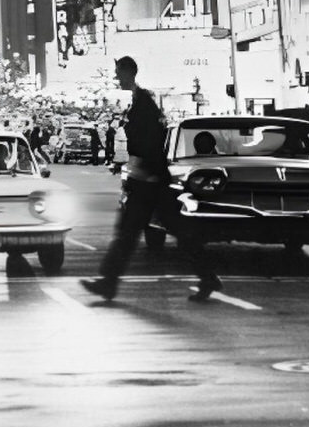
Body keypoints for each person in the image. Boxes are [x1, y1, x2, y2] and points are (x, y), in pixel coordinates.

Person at [81, 57, 220, 304]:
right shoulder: (139, 101)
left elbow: (151, 141)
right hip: (148, 179)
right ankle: (207, 276)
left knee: (132, 234)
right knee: (160, 232)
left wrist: (145, 169)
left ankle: (108, 283)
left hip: (149, 182)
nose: (116, 77)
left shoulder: (143, 101)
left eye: (119, 72)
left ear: (129, 72)